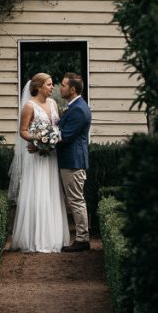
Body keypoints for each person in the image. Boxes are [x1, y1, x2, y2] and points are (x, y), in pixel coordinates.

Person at [7, 73, 70, 252]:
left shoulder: (53, 104)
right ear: (39, 87)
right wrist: (38, 141)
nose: (52, 87)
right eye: (49, 85)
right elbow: (23, 131)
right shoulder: (29, 106)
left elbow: (55, 128)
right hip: (35, 157)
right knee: (37, 192)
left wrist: (50, 141)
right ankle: (34, 239)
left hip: (50, 156)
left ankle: (53, 237)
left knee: (51, 192)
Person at [57, 73, 92, 253]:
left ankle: (82, 239)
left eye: (63, 85)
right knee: (74, 200)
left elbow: (65, 136)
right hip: (69, 160)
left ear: (72, 89)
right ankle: (81, 237)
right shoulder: (74, 106)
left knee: (76, 201)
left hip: (73, 161)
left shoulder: (78, 109)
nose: (60, 88)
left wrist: (41, 140)